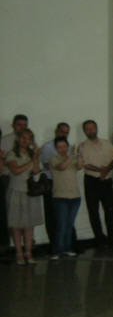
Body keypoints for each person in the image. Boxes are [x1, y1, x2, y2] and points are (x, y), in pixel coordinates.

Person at [78, 119, 113, 246]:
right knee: (93, 211)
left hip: (106, 181)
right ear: (84, 131)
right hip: (91, 181)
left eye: (92, 128)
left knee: (110, 210)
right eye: (87, 129)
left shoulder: (106, 143)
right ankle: (99, 238)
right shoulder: (82, 146)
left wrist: (106, 170)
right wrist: (101, 170)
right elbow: (85, 164)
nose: (90, 131)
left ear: (96, 129)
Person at [5, 129, 43, 265]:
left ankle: (28, 252)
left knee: (29, 225)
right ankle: (19, 253)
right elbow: (16, 171)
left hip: (30, 192)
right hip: (16, 191)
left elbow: (36, 171)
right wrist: (32, 160)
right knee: (16, 225)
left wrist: (36, 156)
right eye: (22, 137)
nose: (25, 141)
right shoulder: (11, 153)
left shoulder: (32, 154)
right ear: (18, 139)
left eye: (28, 138)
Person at [40, 122, 75, 251]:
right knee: (52, 216)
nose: (64, 134)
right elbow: (49, 165)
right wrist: (64, 162)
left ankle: (69, 245)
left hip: (65, 184)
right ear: (56, 131)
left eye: (67, 132)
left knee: (67, 216)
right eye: (62, 131)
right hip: (51, 182)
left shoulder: (69, 147)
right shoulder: (48, 147)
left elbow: (73, 165)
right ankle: (54, 246)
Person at [49, 136, 82, 259]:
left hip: (75, 197)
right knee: (61, 225)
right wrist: (71, 156)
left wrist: (79, 154)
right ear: (56, 148)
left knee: (69, 225)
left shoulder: (72, 159)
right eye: (59, 147)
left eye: (64, 146)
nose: (62, 149)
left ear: (67, 146)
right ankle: (56, 251)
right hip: (60, 197)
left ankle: (67, 248)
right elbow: (62, 167)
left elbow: (80, 166)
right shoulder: (53, 159)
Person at [0, 114, 28, 250]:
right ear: (13, 126)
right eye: (19, 125)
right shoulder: (5, 140)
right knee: (11, 213)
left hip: (25, 179)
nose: (22, 128)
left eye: (25, 125)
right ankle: (12, 245)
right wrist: (12, 164)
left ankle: (27, 244)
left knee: (26, 213)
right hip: (8, 178)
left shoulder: (29, 139)